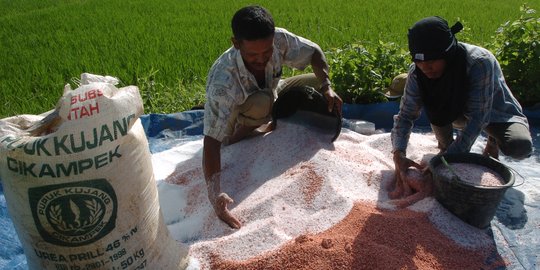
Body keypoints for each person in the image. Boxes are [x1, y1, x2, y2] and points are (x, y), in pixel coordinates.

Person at [203, 5, 343, 228]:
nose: (261, 59)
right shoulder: (223, 82)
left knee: (314, 82)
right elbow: (210, 142)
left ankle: (271, 113)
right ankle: (239, 134)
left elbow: (314, 52)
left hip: (271, 90)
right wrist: (215, 192)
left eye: (266, 52)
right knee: (261, 104)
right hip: (239, 110)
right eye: (253, 55)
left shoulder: (279, 39)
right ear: (236, 43)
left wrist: (326, 87)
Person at [391, 16, 532, 197]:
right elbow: (405, 116)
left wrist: (447, 160)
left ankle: (493, 141)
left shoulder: (479, 63)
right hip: (455, 113)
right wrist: (399, 153)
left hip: (496, 113)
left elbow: (478, 119)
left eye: (432, 60)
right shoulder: (418, 72)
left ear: (447, 54)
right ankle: (446, 146)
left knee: (519, 146)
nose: (425, 67)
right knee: (447, 155)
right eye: (419, 61)